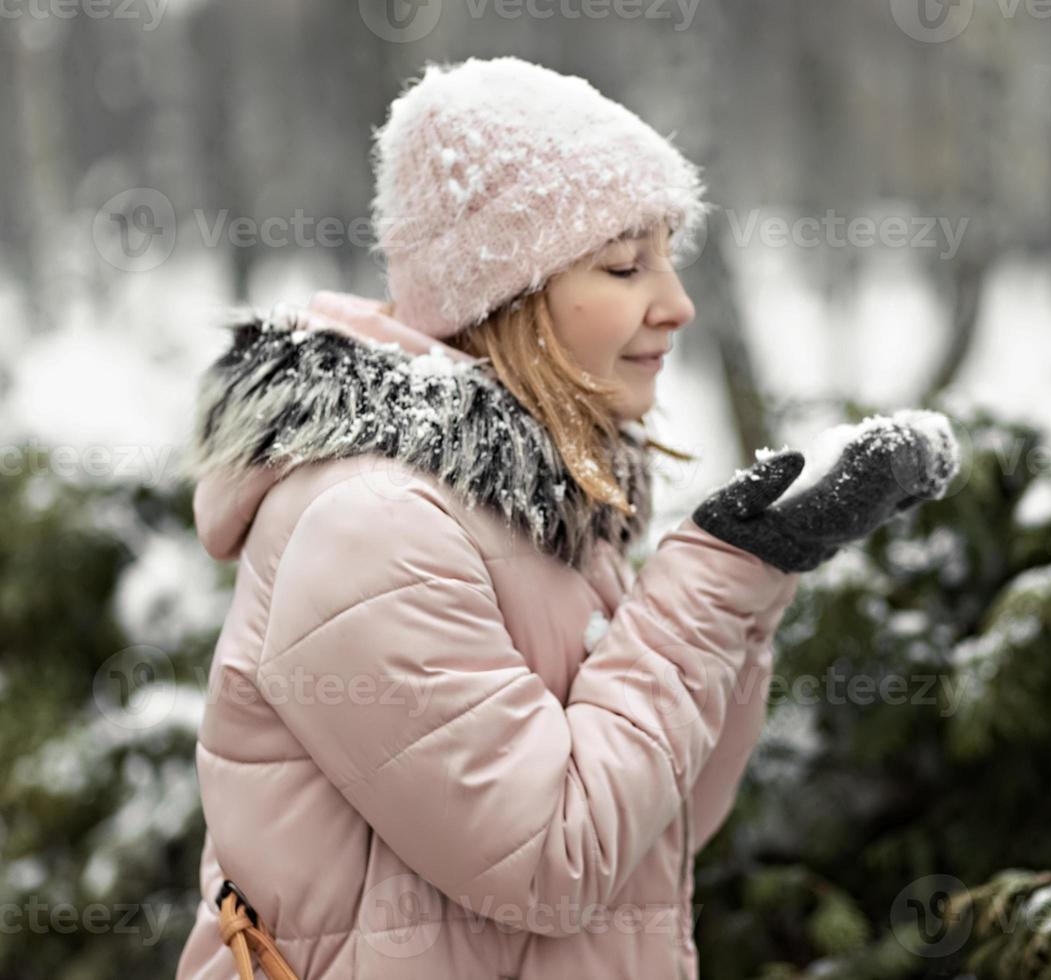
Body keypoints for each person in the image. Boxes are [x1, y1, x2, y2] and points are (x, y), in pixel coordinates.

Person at [173, 56, 956, 979]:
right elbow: (553, 862)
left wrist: (761, 571)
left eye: (669, 256)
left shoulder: (538, 514)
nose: (675, 304)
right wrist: (705, 589)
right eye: (625, 264)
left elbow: (657, 831)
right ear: (498, 296)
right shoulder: (374, 527)